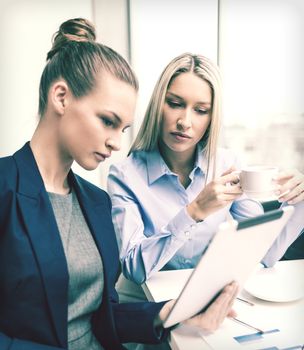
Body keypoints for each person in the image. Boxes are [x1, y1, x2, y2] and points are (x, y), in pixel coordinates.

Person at [0, 19, 240, 350]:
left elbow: (102, 317)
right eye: (108, 121)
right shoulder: (4, 188)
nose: (115, 143)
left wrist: (169, 314)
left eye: (123, 129)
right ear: (61, 97)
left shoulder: (96, 202)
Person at [107, 53, 304, 306]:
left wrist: (299, 200)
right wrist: (194, 211)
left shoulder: (225, 165)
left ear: (212, 118)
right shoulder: (125, 176)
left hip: (205, 306)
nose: (184, 122)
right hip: (147, 314)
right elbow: (134, 268)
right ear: (158, 104)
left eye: (200, 110)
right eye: (175, 103)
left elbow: (265, 254)